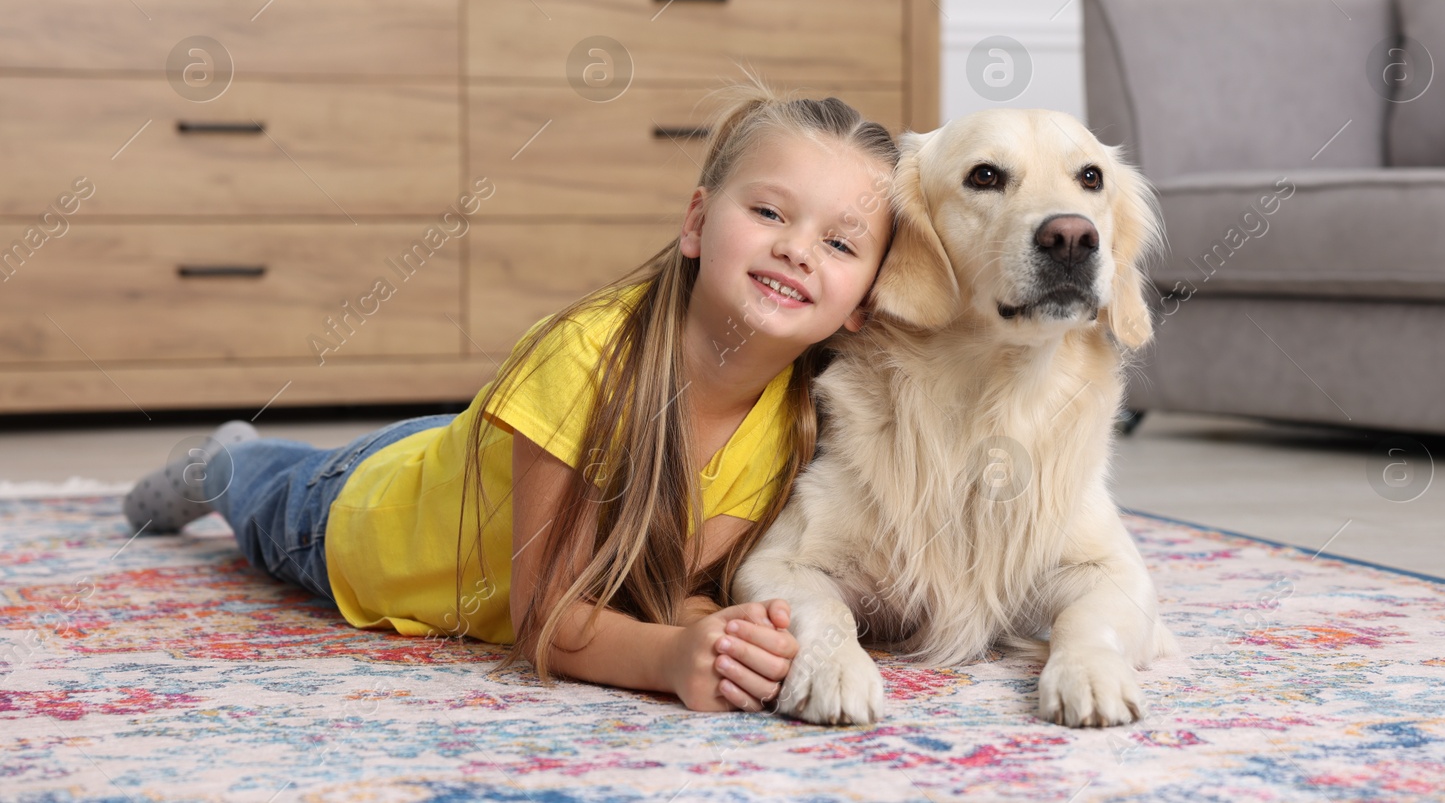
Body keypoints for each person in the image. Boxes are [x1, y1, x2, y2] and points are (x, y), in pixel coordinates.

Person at [123, 84, 900, 715]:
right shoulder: (585, 358)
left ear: (865, 301)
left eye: (840, 242)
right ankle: (223, 459)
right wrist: (669, 658)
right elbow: (549, 619)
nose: (796, 248)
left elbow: (667, 583)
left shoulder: (797, 418)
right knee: (260, 495)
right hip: (372, 522)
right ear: (697, 221)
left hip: (491, 470)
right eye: (768, 211)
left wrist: (720, 632)